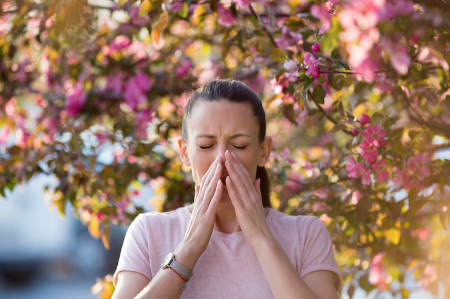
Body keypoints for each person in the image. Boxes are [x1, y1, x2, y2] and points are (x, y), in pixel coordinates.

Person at [111, 79, 342, 299]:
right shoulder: (149, 232)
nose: (221, 158)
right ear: (184, 152)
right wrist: (189, 249)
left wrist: (262, 240)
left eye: (239, 145)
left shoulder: (306, 235)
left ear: (264, 151)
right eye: (206, 145)